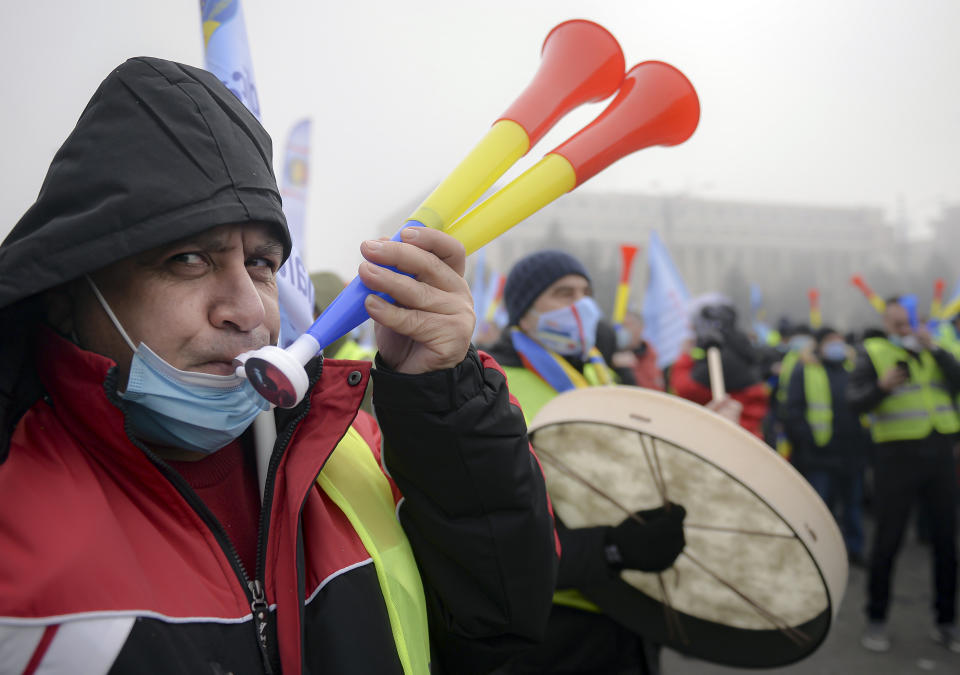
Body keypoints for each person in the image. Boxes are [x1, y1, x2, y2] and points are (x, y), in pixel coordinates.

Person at [0, 57, 558, 674]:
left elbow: (502, 627)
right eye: (187, 259)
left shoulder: (351, 451)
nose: (246, 310)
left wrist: (440, 402)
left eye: (261, 263)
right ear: (67, 290)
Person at [486, 249, 686, 674]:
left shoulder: (601, 376)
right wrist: (612, 548)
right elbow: (492, 534)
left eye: (586, 292)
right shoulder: (493, 387)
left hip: (629, 612)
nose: (581, 305)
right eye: (563, 293)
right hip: (551, 627)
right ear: (523, 311)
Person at [847, 298, 960, 653]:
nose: (905, 331)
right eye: (898, 325)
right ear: (886, 322)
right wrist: (881, 388)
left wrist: (936, 350)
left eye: (910, 324)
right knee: (888, 542)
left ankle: (946, 621)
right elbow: (854, 401)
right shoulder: (872, 352)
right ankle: (876, 619)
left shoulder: (936, 351)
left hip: (940, 454)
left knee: (946, 543)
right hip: (895, 458)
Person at [783, 327, 868, 565]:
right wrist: (807, 442)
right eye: (831, 341)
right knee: (820, 510)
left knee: (853, 506)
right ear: (819, 345)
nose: (837, 346)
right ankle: (819, 555)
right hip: (820, 454)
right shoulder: (806, 370)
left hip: (851, 452)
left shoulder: (852, 368)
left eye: (840, 341)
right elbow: (793, 410)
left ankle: (855, 550)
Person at [669, 293, 767, 437]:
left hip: (733, 439)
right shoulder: (741, 346)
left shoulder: (720, 354)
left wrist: (684, 357)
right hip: (748, 435)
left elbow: (685, 389)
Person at [611, 310, 666, 391]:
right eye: (621, 326)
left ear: (640, 328)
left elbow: (653, 391)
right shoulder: (612, 354)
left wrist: (630, 369)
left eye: (627, 325)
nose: (623, 330)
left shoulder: (650, 356)